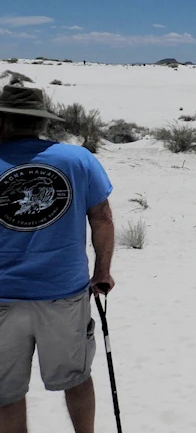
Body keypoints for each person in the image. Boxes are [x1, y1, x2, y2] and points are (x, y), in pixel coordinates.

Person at [0, 82, 115, 433]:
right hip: (63, 293)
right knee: (76, 378)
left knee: (5, 393)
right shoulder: (77, 159)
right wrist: (102, 273)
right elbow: (102, 219)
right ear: (40, 122)